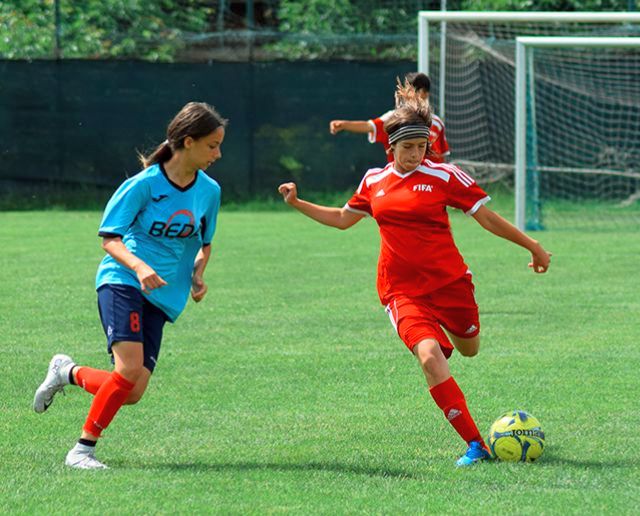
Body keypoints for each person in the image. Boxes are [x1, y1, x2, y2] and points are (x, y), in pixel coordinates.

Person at [279, 81, 551, 467]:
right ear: (391, 147)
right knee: (429, 357)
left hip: (451, 284)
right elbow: (342, 219)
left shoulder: (445, 176)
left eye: (422, 146)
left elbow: (486, 218)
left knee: (470, 349)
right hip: (400, 290)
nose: (416, 154)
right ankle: (476, 444)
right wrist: (297, 202)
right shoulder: (374, 181)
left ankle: (445, 342)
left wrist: (533, 246)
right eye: (408, 147)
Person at [32, 101, 226, 469]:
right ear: (187, 141)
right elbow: (110, 238)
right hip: (123, 281)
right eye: (212, 145)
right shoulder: (143, 185)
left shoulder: (209, 191)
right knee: (128, 370)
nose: (218, 153)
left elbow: (205, 242)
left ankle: (66, 372)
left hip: (162, 296)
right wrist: (139, 267)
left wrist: (198, 274)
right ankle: (81, 451)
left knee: (132, 390)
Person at [329, 72, 450, 163]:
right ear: (404, 92)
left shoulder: (437, 123)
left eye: (422, 91)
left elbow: (442, 156)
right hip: (403, 181)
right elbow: (369, 126)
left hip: (431, 186)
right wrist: (344, 124)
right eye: (413, 90)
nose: (419, 95)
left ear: (426, 93)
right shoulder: (395, 118)